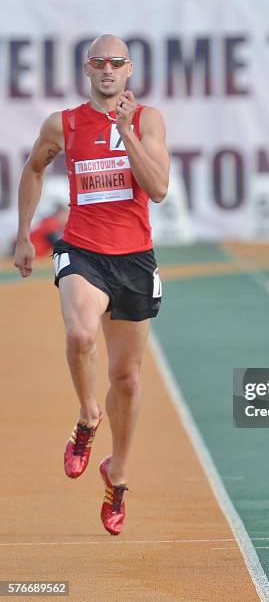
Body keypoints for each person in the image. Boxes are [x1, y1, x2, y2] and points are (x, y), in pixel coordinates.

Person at [14, 34, 169, 536]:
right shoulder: (63, 123)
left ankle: (117, 477)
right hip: (82, 248)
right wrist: (22, 235)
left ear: (129, 70)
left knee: (127, 377)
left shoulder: (147, 120)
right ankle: (87, 416)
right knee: (81, 336)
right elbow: (34, 168)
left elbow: (159, 188)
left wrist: (126, 133)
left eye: (116, 63)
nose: (108, 70)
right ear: (87, 69)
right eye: (99, 63)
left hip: (134, 259)